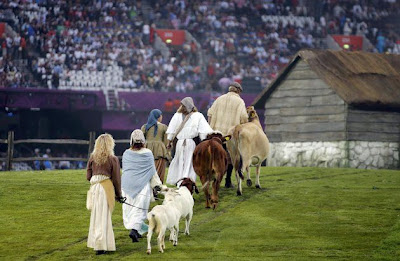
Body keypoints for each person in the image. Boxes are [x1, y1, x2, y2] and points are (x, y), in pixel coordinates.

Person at [121, 129, 163, 243]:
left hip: (127, 185)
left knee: (130, 209)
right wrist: (157, 185)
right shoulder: (148, 153)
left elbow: (126, 170)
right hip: (142, 186)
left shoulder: (126, 153)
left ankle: (138, 231)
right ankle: (134, 230)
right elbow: (152, 171)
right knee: (140, 210)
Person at [207, 82, 248, 188]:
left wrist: (210, 128)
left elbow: (210, 114)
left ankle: (215, 178)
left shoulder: (219, 99)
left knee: (216, 157)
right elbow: (244, 118)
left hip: (216, 135)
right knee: (230, 158)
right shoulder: (240, 102)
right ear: (238, 90)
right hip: (229, 136)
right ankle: (228, 181)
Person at [86, 134, 122, 255]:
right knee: (104, 217)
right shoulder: (113, 159)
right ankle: (102, 245)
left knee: (96, 217)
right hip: (106, 187)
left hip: (94, 188)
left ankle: (97, 244)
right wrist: (119, 195)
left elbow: (88, 176)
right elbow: (116, 179)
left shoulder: (92, 158)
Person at [166, 97, 213, 185]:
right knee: (188, 163)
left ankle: (182, 183)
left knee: (182, 162)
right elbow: (203, 131)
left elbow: (171, 131)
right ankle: (186, 183)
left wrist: (169, 141)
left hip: (182, 143)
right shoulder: (197, 115)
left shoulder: (178, 115)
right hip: (188, 143)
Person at [141, 109, 169, 183]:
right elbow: (166, 142)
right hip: (160, 151)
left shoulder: (145, 127)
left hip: (146, 151)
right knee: (159, 171)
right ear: (158, 117)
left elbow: (141, 139)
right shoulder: (163, 127)